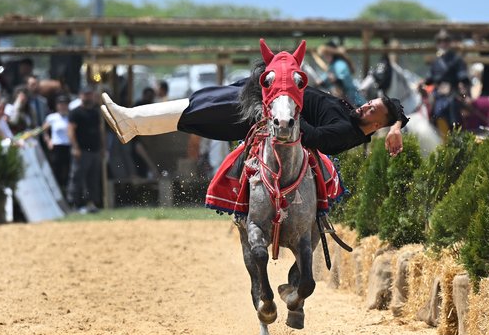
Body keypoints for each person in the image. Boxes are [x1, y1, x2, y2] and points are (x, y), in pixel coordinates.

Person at [100, 47, 408, 158]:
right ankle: (131, 120)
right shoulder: (354, 116)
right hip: (269, 100)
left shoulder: (346, 131)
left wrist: (284, 109)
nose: (366, 105)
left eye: (373, 110)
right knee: (203, 99)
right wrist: (396, 125)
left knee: (202, 111)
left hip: (267, 116)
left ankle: (132, 124)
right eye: (370, 102)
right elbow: (397, 106)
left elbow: (312, 139)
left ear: (375, 124)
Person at [420, 29, 471, 136]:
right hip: (436, 94)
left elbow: (463, 78)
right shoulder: (435, 61)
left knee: (452, 107)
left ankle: (455, 135)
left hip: (453, 92)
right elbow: (430, 79)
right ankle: (431, 133)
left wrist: (462, 91)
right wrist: (422, 84)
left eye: (445, 41)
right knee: (426, 108)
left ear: (449, 43)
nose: (442, 43)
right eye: (439, 41)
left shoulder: (457, 59)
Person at [68, 86, 103, 214]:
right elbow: (71, 130)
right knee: (77, 177)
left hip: (94, 150)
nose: (88, 97)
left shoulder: (96, 112)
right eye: (85, 94)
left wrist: (102, 147)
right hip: (81, 150)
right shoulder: (75, 112)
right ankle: (74, 204)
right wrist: (75, 147)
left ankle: (91, 203)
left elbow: (100, 131)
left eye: (90, 94)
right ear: (80, 95)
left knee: (93, 179)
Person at [315, 40, 367, 107]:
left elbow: (344, 80)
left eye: (326, 54)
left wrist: (335, 79)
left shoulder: (339, 64)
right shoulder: (332, 65)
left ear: (331, 54)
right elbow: (324, 79)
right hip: (345, 99)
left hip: (352, 100)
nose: (325, 57)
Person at [42, 95, 72, 196]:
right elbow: (44, 130)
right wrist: (48, 141)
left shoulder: (70, 116)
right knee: (56, 171)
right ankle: (56, 193)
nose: (62, 106)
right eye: (60, 104)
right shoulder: (52, 117)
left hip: (68, 146)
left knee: (68, 170)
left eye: (64, 104)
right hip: (57, 146)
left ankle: (67, 192)